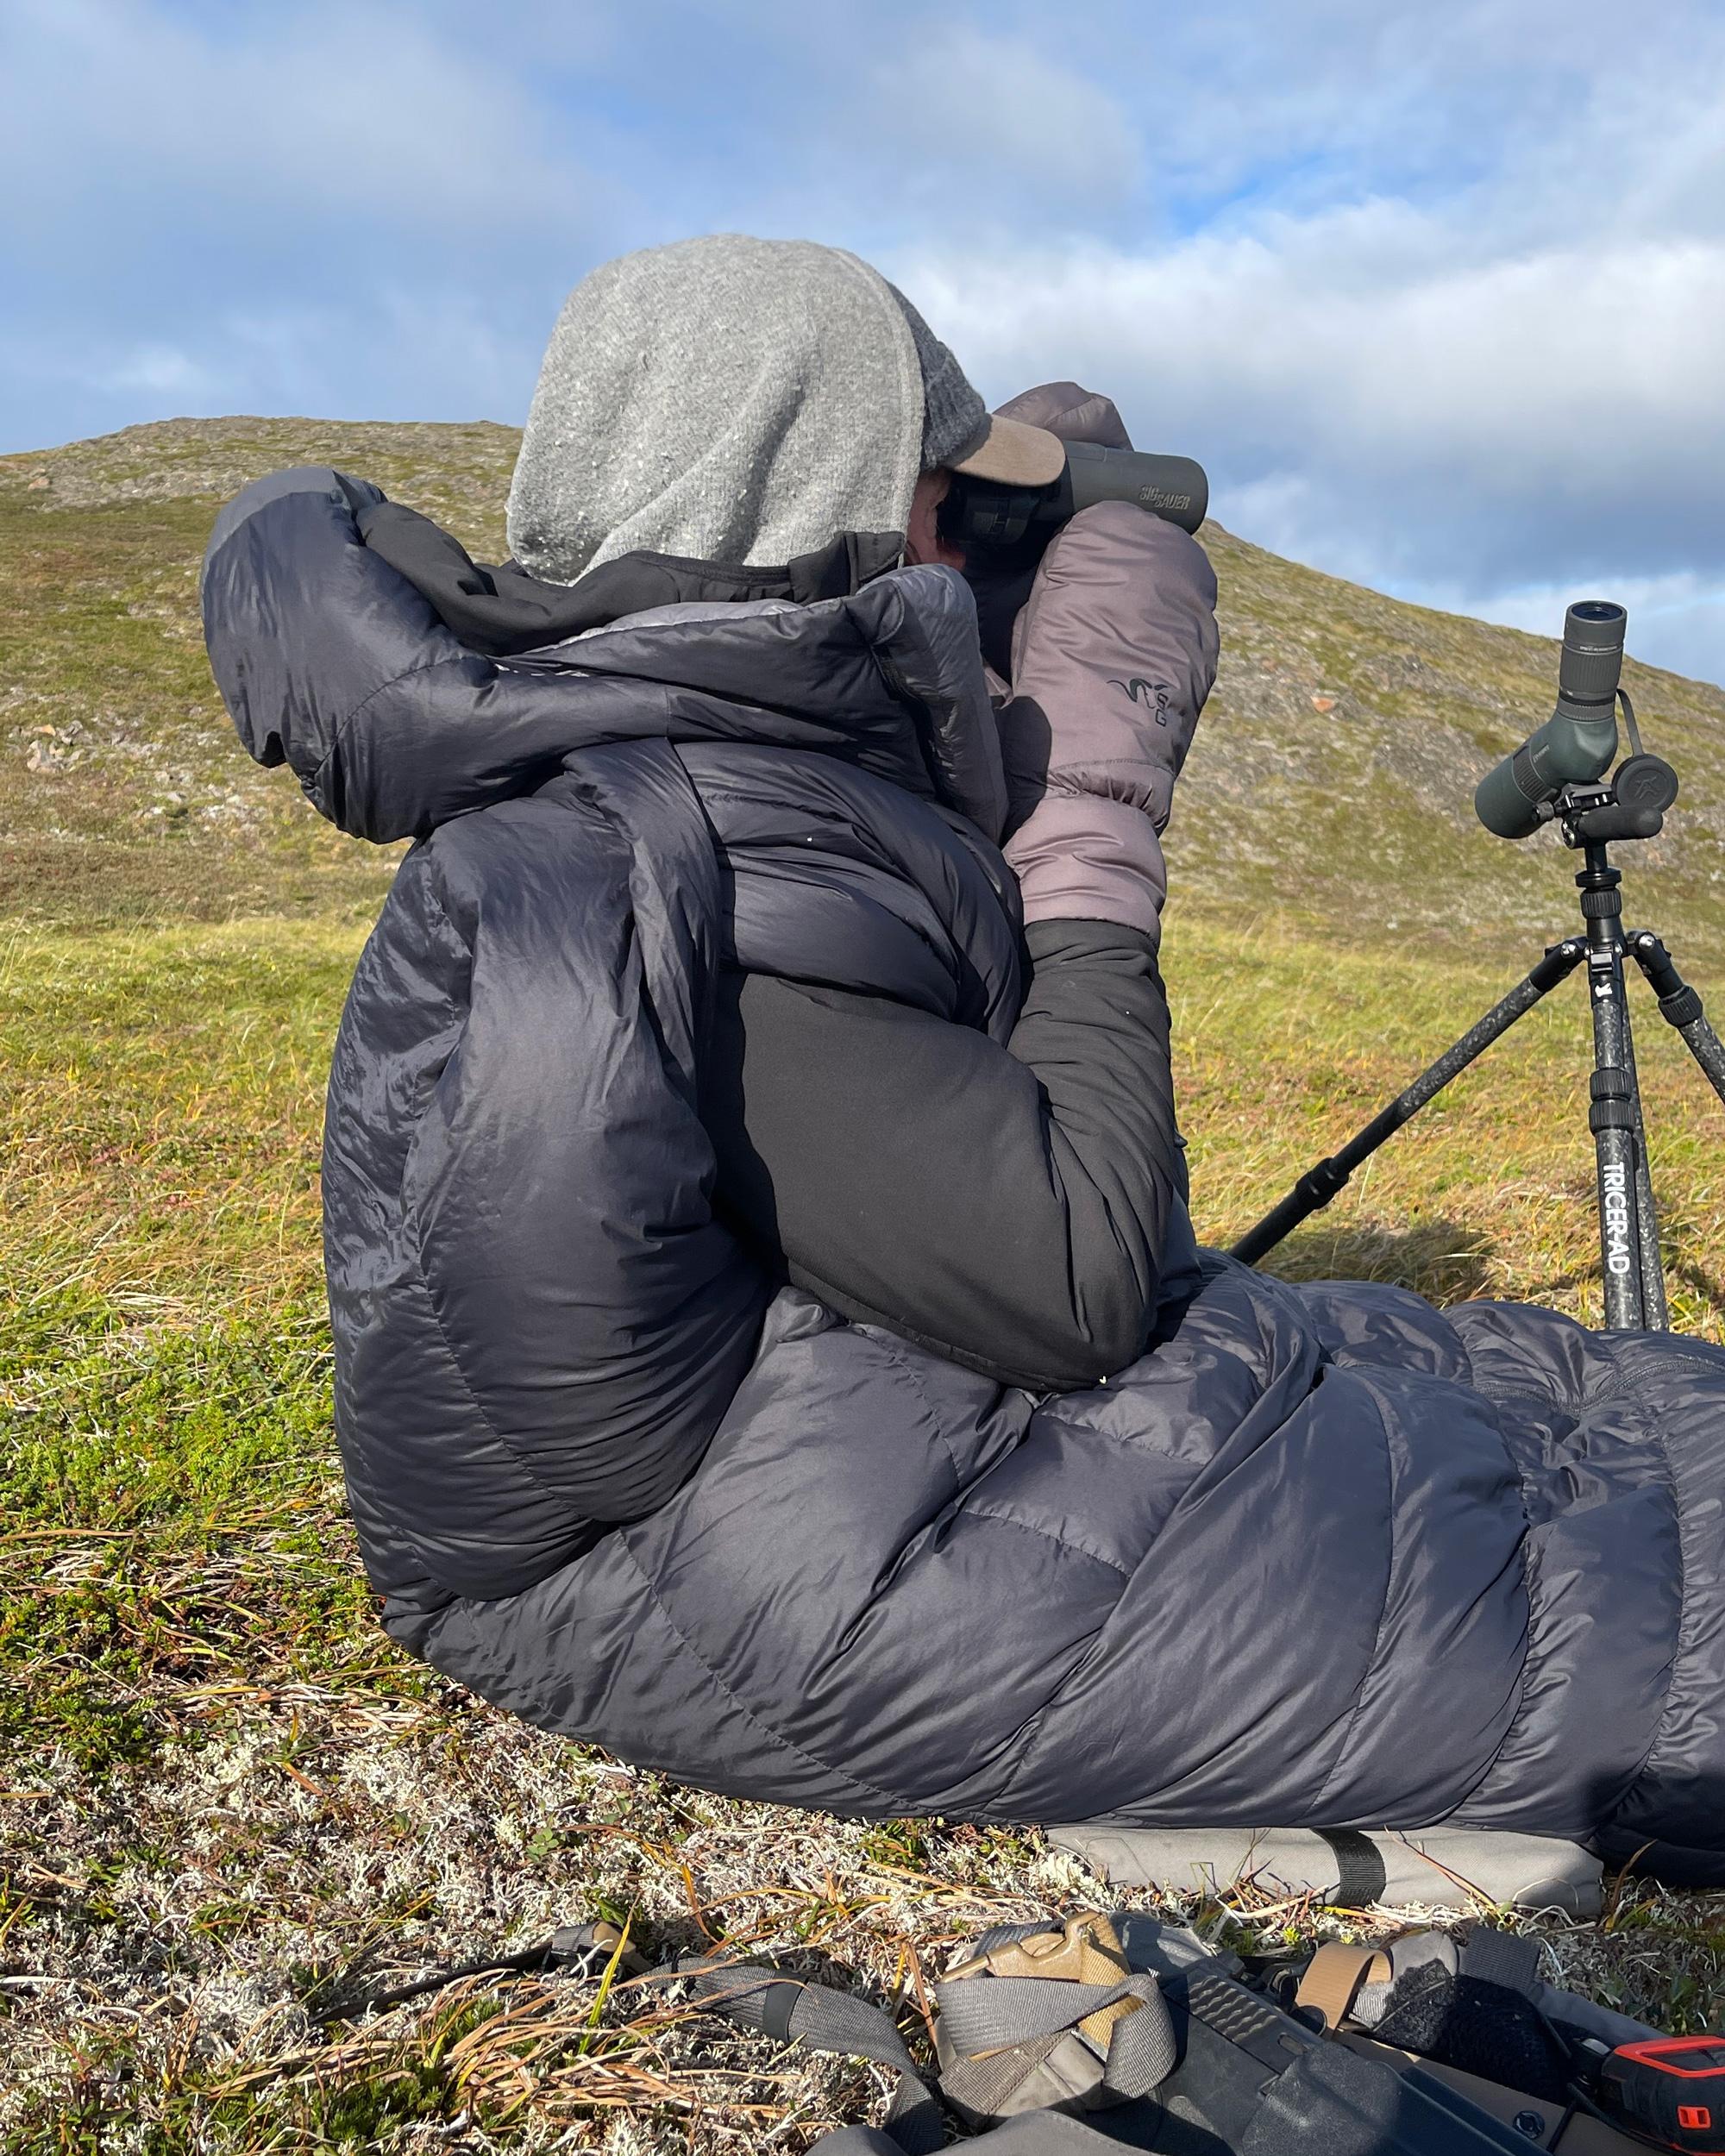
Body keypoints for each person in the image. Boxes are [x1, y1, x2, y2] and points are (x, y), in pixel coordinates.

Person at [204, 235, 1725, 1884]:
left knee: (1605, 1416)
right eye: (952, 503)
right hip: (754, 1560)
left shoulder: (674, 754)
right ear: (854, 513)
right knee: (1645, 1614)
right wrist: (1093, 799)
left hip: (868, 1413)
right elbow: (1073, 1275)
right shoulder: (643, 855)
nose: (968, 553)